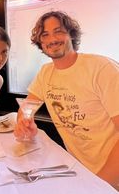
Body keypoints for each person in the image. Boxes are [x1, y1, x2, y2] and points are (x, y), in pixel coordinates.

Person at [14, 10, 119, 190]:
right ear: (40, 42)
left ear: (71, 34)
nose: (52, 39)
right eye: (45, 34)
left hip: (110, 178)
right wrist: (25, 123)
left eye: (59, 31)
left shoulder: (101, 69)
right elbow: (26, 108)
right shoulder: (46, 73)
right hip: (78, 171)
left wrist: (100, 185)